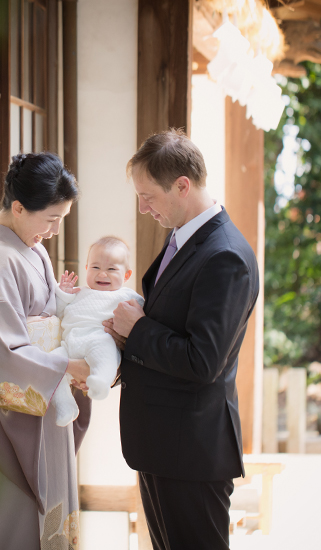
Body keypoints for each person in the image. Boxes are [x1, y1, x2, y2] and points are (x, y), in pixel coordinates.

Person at [103, 129, 260, 550]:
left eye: (148, 196)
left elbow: (202, 360)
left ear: (182, 185)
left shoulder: (224, 255)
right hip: (162, 444)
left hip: (191, 450)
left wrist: (137, 329)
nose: (142, 208)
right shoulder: (183, 239)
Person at [0, 152, 91, 550]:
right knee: (17, 525)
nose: (54, 231)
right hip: (22, 410)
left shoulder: (32, 248)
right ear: (18, 208)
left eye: (61, 219)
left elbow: (51, 315)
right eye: (51, 219)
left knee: (53, 513)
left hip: (50, 396)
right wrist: (67, 364)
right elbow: (2, 345)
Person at [49, 237, 144, 426]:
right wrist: (63, 293)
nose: (102, 274)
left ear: (126, 275)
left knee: (106, 349)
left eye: (111, 269)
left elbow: (142, 318)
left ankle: (101, 381)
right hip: (69, 344)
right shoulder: (78, 293)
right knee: (51, 364)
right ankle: (65, 405)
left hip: (98, 339)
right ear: (86, 269)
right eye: (95, 267)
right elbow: (58, 314)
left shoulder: (127, 296)